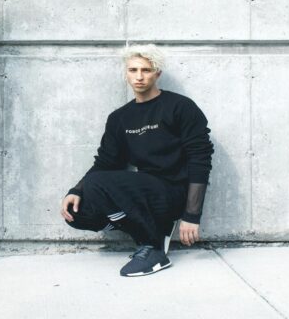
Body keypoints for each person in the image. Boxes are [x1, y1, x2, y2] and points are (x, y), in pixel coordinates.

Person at [61, 44, 213, 277]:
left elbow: (200, 159)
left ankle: (153, 249)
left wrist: (191, 216)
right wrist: (76, 190)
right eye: (133, 70)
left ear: (157, 73)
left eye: (146, 70)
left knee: (97, 184)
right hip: (141, 192)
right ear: (126, 73)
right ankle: (149, 231)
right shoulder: (119, 118)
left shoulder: (180, 107)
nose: (139, 77)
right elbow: (106, 162)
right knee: (78, 213)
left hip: (173, 191)